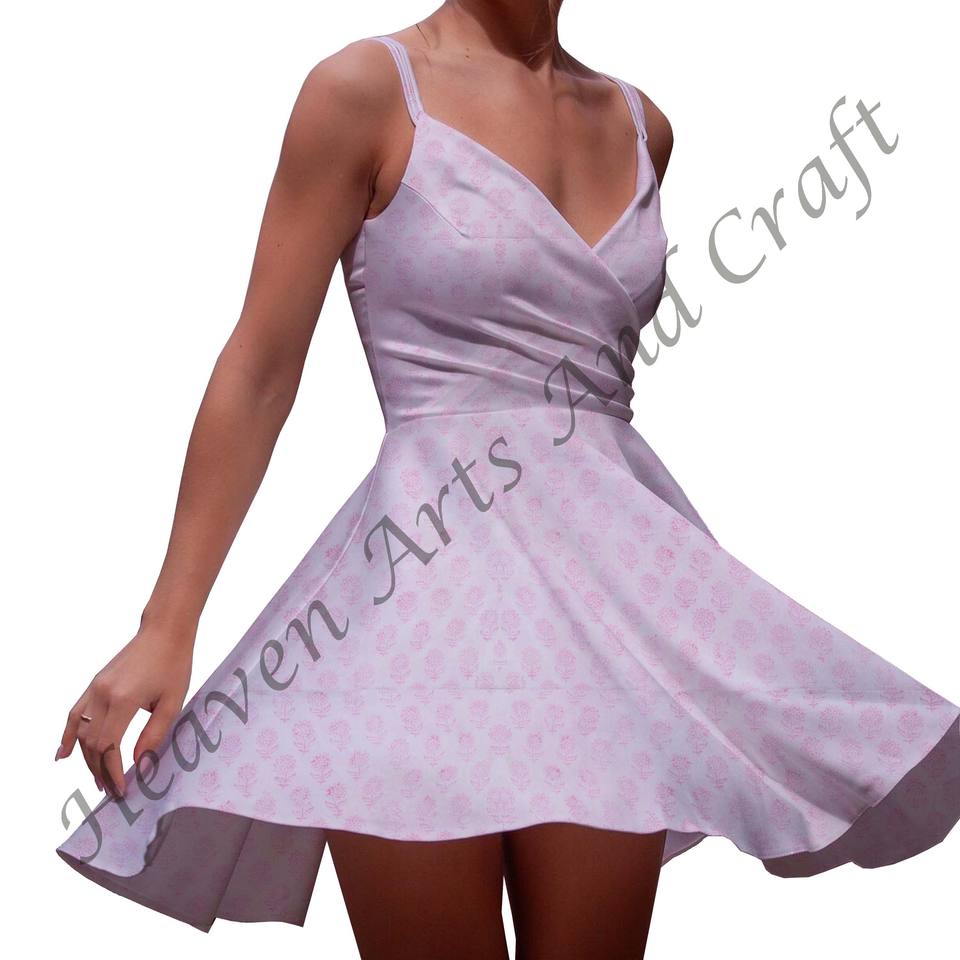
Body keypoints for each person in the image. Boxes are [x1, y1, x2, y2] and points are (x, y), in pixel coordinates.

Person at [55, 2, 960, 958]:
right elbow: (262, 366)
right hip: (416, 613)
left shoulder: (641, 125)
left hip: (607, 614)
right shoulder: (365, 91)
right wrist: (168, 625)